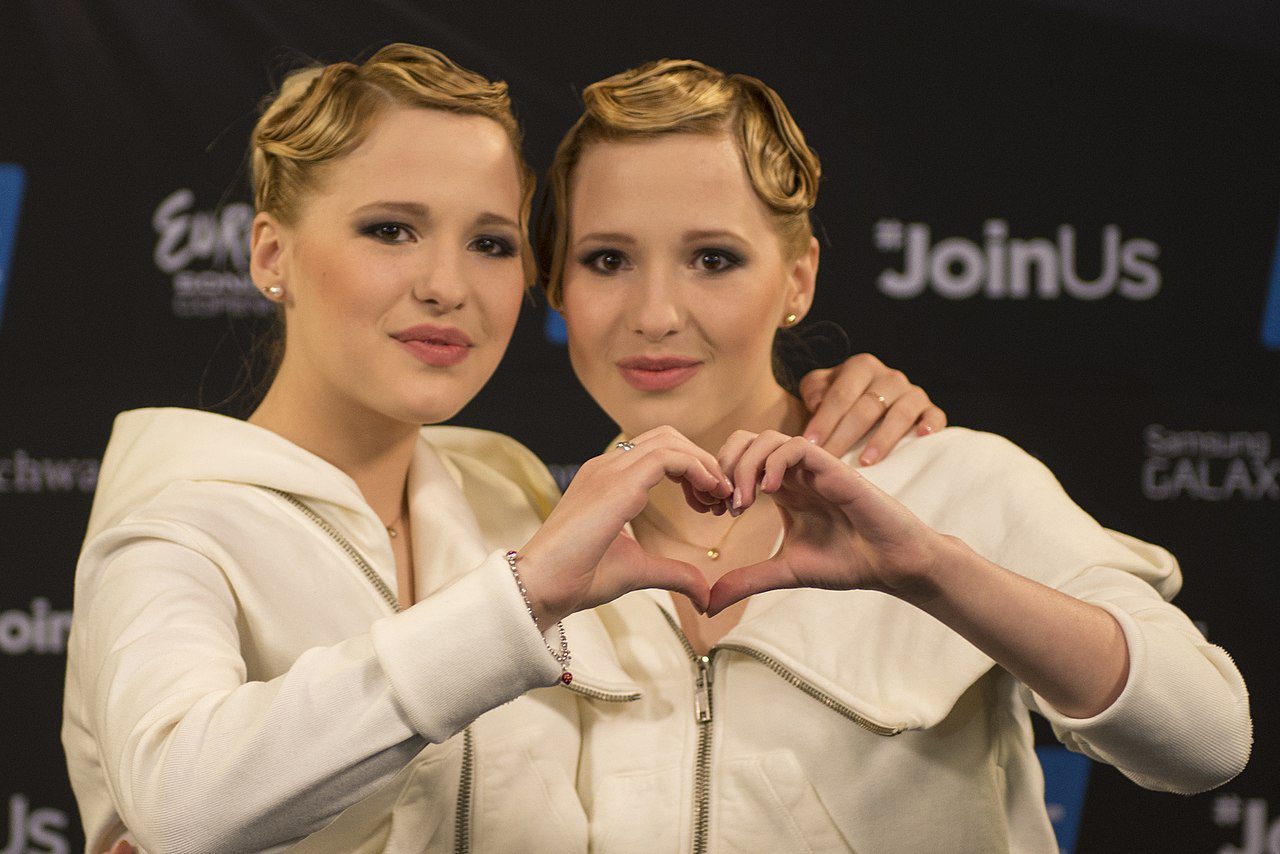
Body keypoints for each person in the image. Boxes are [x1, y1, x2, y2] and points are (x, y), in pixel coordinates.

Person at [61, 45, 940, 853]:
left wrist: (829, 401)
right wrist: (513, 602)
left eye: (489, 243)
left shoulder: (507, 492)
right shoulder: (174, 523)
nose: (446, 286)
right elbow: (179, 802)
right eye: (391, 230)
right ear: (269, 253)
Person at [539, 59, 1253, 852]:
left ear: (798, 279)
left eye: (713, 258)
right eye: (607, 259)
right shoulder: (519, 527)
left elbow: (1207, 741)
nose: (655, 313)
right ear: (557, 285)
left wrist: (934, 572)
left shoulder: (953, 478)